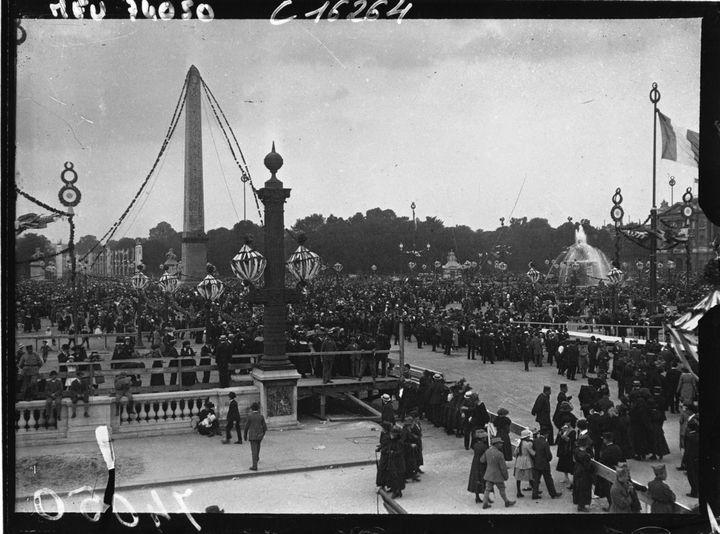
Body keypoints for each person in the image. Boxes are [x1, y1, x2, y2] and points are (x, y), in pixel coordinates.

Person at [480, 437, 516, 509]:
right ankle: (506, 501)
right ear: (496, 444)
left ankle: (485, 503)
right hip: (498, 475)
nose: (501, 444)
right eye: (500, 443)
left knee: (487, 489)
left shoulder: (487, 451)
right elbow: (503, 467)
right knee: (502, 489)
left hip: (489, 474)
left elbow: (482, 460)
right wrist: (506, 476)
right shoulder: (500, 454)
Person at [596, 432, 623, 511]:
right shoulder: (617, 447)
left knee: (608, 490)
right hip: (615, 469)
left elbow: (602, 461)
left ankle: (611, 506)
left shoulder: (606, 450)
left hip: (607, 471)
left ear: (605, 440)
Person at [532, 428, 562, 499]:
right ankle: (553, 493)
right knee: (548, 479)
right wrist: (549, 459)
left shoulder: (535, 441)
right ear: (546, 434)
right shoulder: (545, 443)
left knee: (536, 479)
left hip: (536, 463)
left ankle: (535, 494)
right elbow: (549, 455)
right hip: (544, 463)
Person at [572, 435, 594, 512]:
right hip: (584, 473)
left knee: (578, 488)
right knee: (584, 489)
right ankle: (582, 506)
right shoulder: (586, 455)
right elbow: (588, 467)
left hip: (577, 470)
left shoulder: (576, 450)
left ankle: (579, 504)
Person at [467, 428, 490, 503]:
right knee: (484, 480)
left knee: (476, 479)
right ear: (483, 438)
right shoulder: (484, 446)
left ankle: (477, 497)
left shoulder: (475, 445)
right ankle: (486, 496)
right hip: (482, 465)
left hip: (475, 463)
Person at [514, 428, 537, 499]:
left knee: (518, 477)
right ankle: (535, 491)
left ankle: (518, 492)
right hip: (527, 460)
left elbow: (515, 453)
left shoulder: (519, 443)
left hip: (519, 460)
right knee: (530, 476)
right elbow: (532, 453)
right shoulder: (528, 444)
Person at [244, 402, 267, 471]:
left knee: (253, 450)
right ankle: (257, 458)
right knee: (258, 447)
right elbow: (265, 427)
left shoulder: (250, 416)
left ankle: (254, 466)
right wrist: (263, 434)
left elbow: (246, 427)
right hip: (259, 435)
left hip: (252, 435)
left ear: (251, 408)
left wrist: (245, 435)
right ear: (258, 408)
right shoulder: (261, 416)